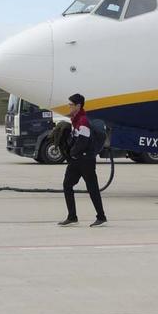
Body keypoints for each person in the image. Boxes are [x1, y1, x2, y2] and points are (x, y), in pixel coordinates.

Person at [57, 93, 107, 227]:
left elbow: (83, 141)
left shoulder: (83, 121)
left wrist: (72, 153)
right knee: (67, 185)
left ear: (78, 106)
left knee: (92, 188)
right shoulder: (75, 119)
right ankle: (72, 216)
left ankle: (101, 217)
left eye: (71, 105)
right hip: (77, 160)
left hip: (86, 160)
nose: (69, 106)